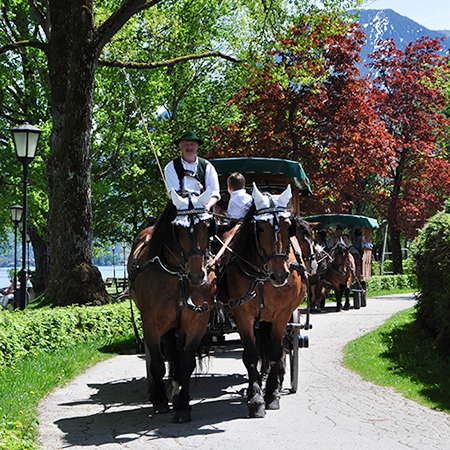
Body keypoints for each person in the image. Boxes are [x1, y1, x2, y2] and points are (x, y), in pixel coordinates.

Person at [164, 130, 220, 211]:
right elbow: (174, 194)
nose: (189, 147)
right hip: (181, 210)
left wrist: (207, 207)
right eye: (186, 144)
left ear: (197, 147)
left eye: (192, 144)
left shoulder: (207, 166)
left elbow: (214, 194)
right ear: (180, 147)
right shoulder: (171, 167)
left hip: (204, 209)